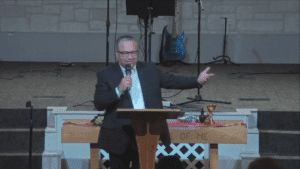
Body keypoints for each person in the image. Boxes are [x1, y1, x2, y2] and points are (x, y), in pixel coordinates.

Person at [93, 35, 214, 169]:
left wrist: (197, 80)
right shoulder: (106, 74)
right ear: (117, 54)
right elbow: (99, 103)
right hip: (119, 136)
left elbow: (172, 81)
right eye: (125, 53)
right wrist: (118, 89)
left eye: (133, 52)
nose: (130, 57)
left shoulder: (149, 69)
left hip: (147, 133)